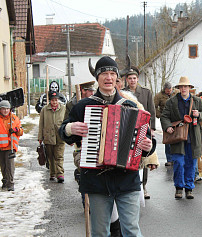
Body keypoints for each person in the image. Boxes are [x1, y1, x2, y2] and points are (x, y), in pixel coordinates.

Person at [58, 56, 156, 237]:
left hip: (127, 180)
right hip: (97, 181)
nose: (108, 78)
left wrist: (148, 146)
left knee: (132, 231)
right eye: (104, 73)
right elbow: (63, 132)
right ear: (97, 78)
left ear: (117, 78)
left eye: (112, 74)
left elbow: (148, 140)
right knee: (100, 232)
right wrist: (71, 128)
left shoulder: (131, 105)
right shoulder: (83, 106)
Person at [160, 76, 202, 199]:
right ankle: (179, 188)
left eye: (186, 86)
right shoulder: (171, 101)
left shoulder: (197, 101)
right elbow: (164, 116)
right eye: (181, 86)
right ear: (179, 88)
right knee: (179, 163)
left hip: (193, 136)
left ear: (190, 88)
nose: (184, 88)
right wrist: (168, 127)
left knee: (191, 164)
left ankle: (189, 188)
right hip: (178, 137)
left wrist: (199, 114)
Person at [124, 66, 156, 200]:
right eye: (130, 78)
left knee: (143, 157)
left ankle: (143, 186)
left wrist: (152, 128)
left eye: (134, 78)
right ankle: (129, 185)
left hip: (143, 128)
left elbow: (152, 111)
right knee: (129, 157)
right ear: (127, 80)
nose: (132, 81)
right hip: (128, 128)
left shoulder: (146, 92)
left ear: (137, 79)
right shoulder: (122, 92)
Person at [0, 100, 23, 191]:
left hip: (10, 146)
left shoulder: (14, 118)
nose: (5, 111)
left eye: (7, 109)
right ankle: (5, 180)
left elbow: (21, 131)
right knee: (3, 166)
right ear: (0, 109)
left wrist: (15, 130)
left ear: (10, 109)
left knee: (10, 165)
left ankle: (10, 183)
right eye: (3, 109)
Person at [38, 91, 66, 183]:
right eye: (53, 100)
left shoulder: (63, 109)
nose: (54, 102)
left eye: (56, 100)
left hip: (60, 136)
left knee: (59, 156)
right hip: (48, 136)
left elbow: (67, 122)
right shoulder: (44, 110)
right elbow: (41, 124)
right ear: (50, 101)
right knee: (50, 157)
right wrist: (40, 137)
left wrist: (69, 136)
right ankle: (52, 173)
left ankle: (60, 174)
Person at [154, 82, 174, 166]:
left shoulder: (176, 93)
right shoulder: (158, 96)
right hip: (165, 119)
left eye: (170, 90)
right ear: (164, 89)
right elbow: (153, 107)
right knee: (168, 139)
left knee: (178, 138)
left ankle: (176, 157)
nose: (169, 92)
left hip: (176, 119)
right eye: (167, 90)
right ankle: (169, 159)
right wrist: (160, 115)